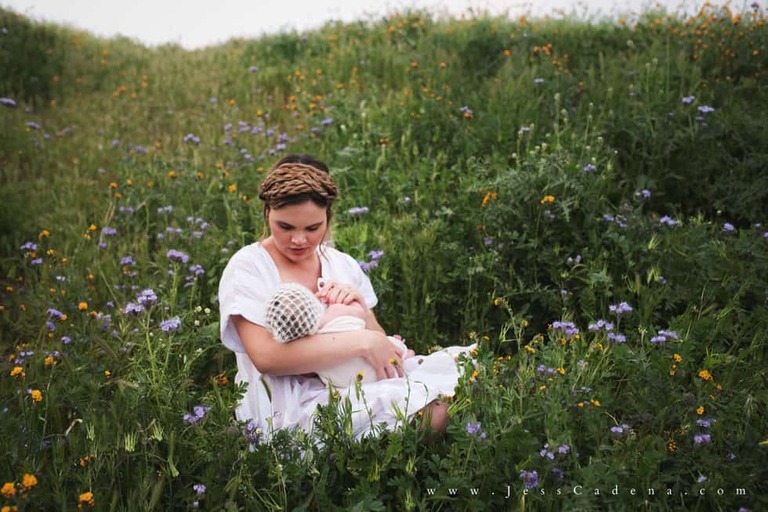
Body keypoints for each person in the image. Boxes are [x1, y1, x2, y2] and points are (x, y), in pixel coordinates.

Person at [218, 153, 474, 440]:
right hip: (286, 402)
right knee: (435, 415)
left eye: (313, 228)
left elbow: (381, 346)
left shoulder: (341, 263)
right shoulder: (249, 266)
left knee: (467, 378)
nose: (299, 240)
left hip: (353, 381)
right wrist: (362, 341)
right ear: (267, 213)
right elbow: (267, 357)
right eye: (285, 227)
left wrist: (361, 311)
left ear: (328, 216)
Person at [264, 281, 415, 388]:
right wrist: (352, 302)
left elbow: (306, 372)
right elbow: (359, 314)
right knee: (395, 350)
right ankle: (406, 353)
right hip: (378, 369)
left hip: (345, 384)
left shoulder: (303, 349)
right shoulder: (335, 312)